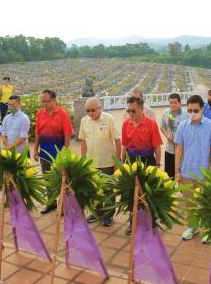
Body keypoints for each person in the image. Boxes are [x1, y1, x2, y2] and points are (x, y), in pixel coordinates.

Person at [175, 95, 211, 241]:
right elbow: (179, 149)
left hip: (204, 174)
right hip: (187, 171)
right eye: (189, 110)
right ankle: (192, 227)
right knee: (189, 203)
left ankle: (208, 229)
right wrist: (177, 170)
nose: (192, 113)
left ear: (202, 109)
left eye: (195, 110)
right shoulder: (182, 126)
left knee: (205, 203)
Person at [122, 96, 163, 235]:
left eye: (133, 111)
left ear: (141, 108)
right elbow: (125, 146)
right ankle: (132, 223)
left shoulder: (151, 124)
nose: (130, 114)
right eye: (128, 111)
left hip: (147, 162)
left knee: (149, 194)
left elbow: (157, 146)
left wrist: (157, 166)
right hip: (131, 162)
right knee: (131, 194)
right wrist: (123, 164)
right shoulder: (126, 124)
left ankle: (152, 222)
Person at [79, 97, 121, 226]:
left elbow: (117, 141)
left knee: (108, 189)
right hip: (91, 163)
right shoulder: (84, 121)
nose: (90, 113)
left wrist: (117, 162)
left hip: (107, 161)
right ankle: (97, 212)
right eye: (87, 110)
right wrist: (83, 161)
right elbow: (83, 141)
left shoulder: (109, 119)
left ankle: (108, 214)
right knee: (93, 189)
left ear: (99, 108)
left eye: (93, 110)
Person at [33, 90, 74, 213]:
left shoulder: (62, 113)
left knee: (62, 179)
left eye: (46, 101)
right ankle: (51, 203)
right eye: (42, 101)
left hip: (58, 153)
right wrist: (35, 149)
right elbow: (38, 132)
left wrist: (64, 152)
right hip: (44, 152)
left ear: (54, 100)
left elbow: (67, 134)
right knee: (47, 178)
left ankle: (65, 205)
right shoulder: (40, 113)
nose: (44, 104)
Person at [160, 93, 188, 179]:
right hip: (170, 149)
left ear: (180, 103)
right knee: (169, 176)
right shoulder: (165, 113)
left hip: (183, 151)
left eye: (175, 102)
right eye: (171, 102)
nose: (173, 105)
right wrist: (167, 135)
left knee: (183, 175)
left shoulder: (186, 114)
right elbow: (162, 127)